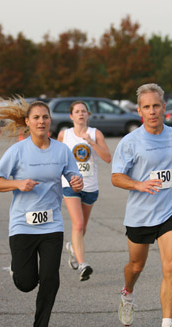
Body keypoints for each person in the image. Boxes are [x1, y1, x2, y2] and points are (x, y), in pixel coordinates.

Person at [0, 97, 83, 327]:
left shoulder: (61, 150)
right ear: (28, 122)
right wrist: (17, 183)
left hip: (51, 225)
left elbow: (73, 173)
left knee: (51, 278)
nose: (41, 121)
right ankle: (17, 270)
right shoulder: (17, 151)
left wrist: (76, 181)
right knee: (26, 282)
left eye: (45, 117)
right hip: (22, 226)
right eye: (36, 117)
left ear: (50, 121)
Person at [111, 83, 172, 327]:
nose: (152, 111)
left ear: (164, 107)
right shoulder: (130, 142)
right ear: (139, 110)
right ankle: (127, 293)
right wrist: (138, 184)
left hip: (170, 210)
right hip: (139, 214)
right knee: (136, 266)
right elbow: (116, 177)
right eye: (146, 107)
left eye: (156, 105)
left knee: (171, 265)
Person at [57, 101, 111, 281]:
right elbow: (56, 158)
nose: (81, 114)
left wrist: (91, 143)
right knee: (78, 224)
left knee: (83, 227)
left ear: (88, 115)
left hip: (90, 186)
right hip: (70, 185)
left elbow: (108, 158)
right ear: (71, 116)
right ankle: (82, 264)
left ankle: (73, 249)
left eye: (83, 111)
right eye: (77, 112)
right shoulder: (64, 135)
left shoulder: (96, 134)